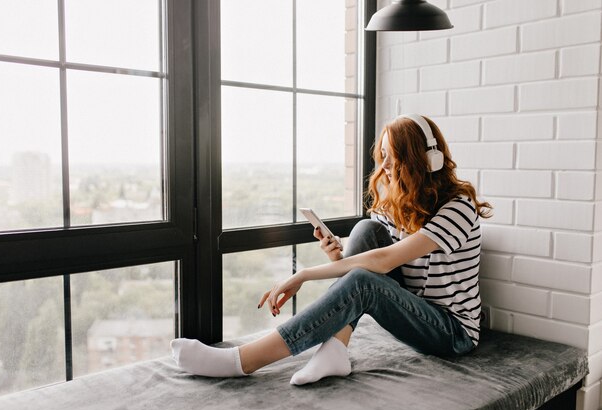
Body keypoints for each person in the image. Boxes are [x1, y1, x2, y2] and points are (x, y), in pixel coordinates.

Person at [170, 114, 492, 385]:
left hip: (452, 332)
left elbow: (383, 262)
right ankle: (336, 350)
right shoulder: (398, 206)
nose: (388, 168)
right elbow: (371, 264)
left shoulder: (458, 208)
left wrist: (305, 274)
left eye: (396, 159)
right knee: (367, 229)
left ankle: (243, 361)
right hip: (413, 311)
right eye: (384, 158)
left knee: (364, 277)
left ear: (427, 160)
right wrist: (338, 257)